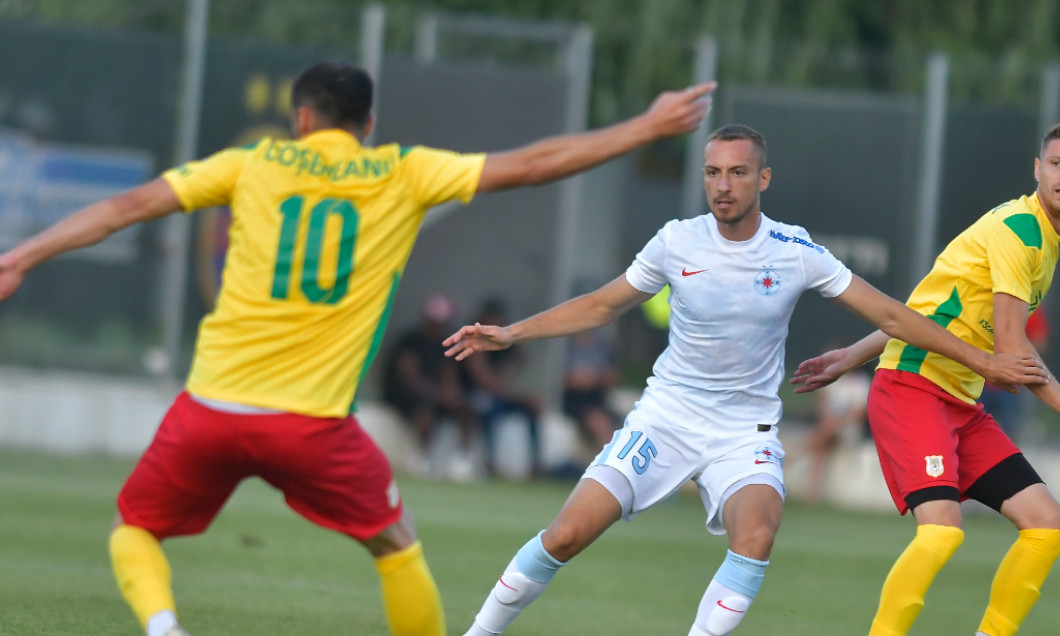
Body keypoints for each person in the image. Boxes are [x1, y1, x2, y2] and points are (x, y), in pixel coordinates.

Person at [0, 62, 718, 636]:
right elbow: (534, 163)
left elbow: (125, 208)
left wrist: (22, 258)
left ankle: (162, 627)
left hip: (209, 410)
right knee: (396, 546)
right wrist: (645, 127)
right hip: (312, 428)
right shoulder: (398, 172)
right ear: (367, 126)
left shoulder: (249, 165)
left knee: (134, 532)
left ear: (301, 119)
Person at [443, 123, 1046, 636]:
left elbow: (892, 313)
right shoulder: (676, 240)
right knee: (567, 535)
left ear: (763, 179)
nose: (721, 185)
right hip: (666, 419)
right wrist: (512, 333)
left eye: (736, 173)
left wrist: (983, 364)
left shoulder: (794, 250)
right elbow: (602, 305)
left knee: (756, 534)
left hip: (744, 432)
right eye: (711, 173)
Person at [791, 124, 1060, 636]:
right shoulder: (1021, 231)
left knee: (1046, 524)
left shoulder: (1045, 241)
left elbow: (930, 309)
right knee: (941, 533)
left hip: (959, 402)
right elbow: (1011, 347)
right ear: (1037, 169)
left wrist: (853, 352)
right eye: (1056, 163)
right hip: (912, 391)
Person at [382, 293, 477, 479]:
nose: (437, 328)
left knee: (466, 409)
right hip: (403, 393)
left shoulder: (446, 344)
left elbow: (448, 375)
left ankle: (462, 460)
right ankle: (420, 457)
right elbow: (409, 378)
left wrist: (451, 393)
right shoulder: (409, 342)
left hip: (434, 394)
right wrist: (437, 393)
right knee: (425, 411)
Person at [461, 297, 544, 478]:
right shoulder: (475, 340)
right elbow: (483, 380)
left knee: (532, 408)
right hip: (475, 394)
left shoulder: (504, 342)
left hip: (500, 395)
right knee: (487, 411)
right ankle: (490, 464)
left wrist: (508, 377)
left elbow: (521, 359)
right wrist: (509, 392)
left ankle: (536, 465)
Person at [979, 305, 1050, 443]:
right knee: (974, 427)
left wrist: (1017, 353)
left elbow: (1040, 341)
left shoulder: (1030, 308)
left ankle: (1007, 460)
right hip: (979, 381)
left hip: (1012, 384)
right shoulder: (984, 301)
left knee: (1009, 428)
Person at [562, 328, 621, 450]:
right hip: (573, 399)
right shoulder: (563, 346)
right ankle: (610, 460)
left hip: (597, 397)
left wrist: (600, 377)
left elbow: (614, 376)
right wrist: (585, 378)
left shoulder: (602, 343)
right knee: (599, 421)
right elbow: (561, 379)